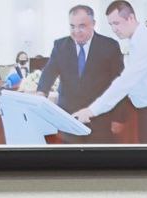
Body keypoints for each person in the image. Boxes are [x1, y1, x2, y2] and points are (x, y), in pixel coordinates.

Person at [74, 1, 147, 143]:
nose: (114, 29)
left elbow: (126, 82)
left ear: (130, 18)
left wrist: (91, 110)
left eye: (116, 23)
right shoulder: (135, 41)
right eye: (111, 24)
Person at [31, 5, 125, 144]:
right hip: (69, 119)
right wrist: (41, 93)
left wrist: (119, 118)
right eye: (72, 26)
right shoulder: (60, 46)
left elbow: (119, 83)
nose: (76, 31)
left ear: (93, 24)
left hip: (99, 118)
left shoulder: (109, 46)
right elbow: (49, 72)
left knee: (98, 156)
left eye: (82, 26)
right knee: (70, 157)